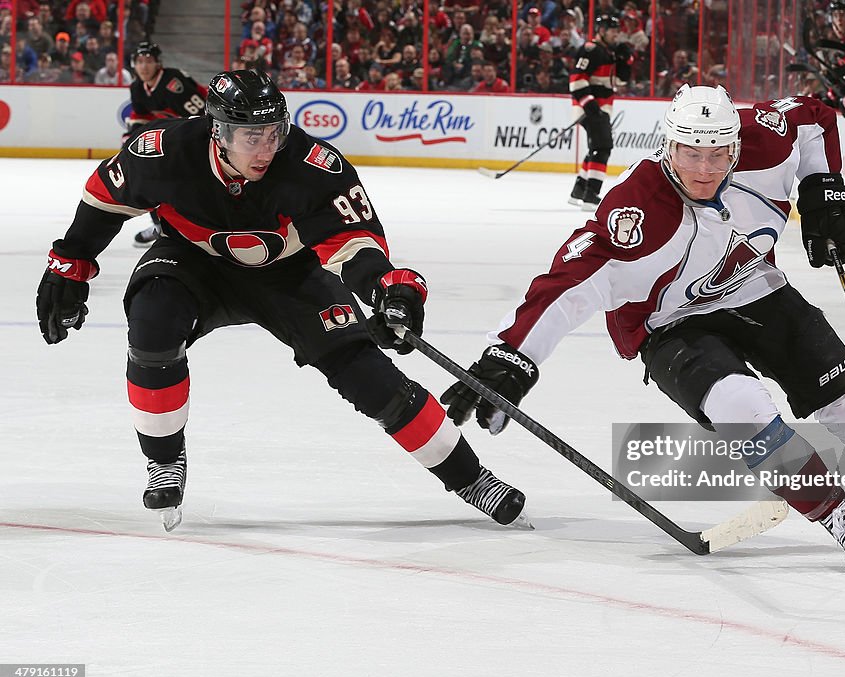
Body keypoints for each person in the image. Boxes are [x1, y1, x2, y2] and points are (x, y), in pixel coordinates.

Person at [441, 85, 845, 572]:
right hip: (669, 324)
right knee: (742, 407)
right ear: (668, 144)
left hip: (754, 287)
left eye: (717, 154)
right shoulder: (639, 209)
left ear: (736, 145)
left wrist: (822, 185)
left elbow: (815, 119)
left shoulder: (764, 141)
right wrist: (511, 356)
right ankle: (835, 513)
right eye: (690, 153)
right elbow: (572, 280)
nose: (704, 168)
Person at [35, 69, 528, 533]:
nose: (268, 147)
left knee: (368, 376)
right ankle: (164, 460)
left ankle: (471, 478)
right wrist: (71, 261)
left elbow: (353, 243)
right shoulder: (164, 150)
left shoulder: (313, 166)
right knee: (152, 326)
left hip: (290, 273)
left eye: (275, 132)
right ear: (218, 132)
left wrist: (386, 290)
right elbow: (103, 201)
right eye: (254, 136)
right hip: (192, 262)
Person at [125, 42, 209, 248]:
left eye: (149, 61)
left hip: (202, 134)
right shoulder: (137, 87)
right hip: (176, 136)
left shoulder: (173, 82)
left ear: (158, 63)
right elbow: (141, 117)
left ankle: (198, 227)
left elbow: (204, 116)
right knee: (149, 174)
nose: (144, 66)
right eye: (139, 62)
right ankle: (162, 226)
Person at [567, 14, 630, 211]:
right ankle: (591, 194)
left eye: (618, 31)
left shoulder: (608, 53)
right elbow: (576, 80)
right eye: (613, 31)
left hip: (601, 108)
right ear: (602, 31)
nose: (617, 35)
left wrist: (625, 61)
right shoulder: (591, 50)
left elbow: (619, 82)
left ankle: (579, 190)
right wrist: (589, 104)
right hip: (590, 108)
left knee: (597, 147)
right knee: (603, 148)